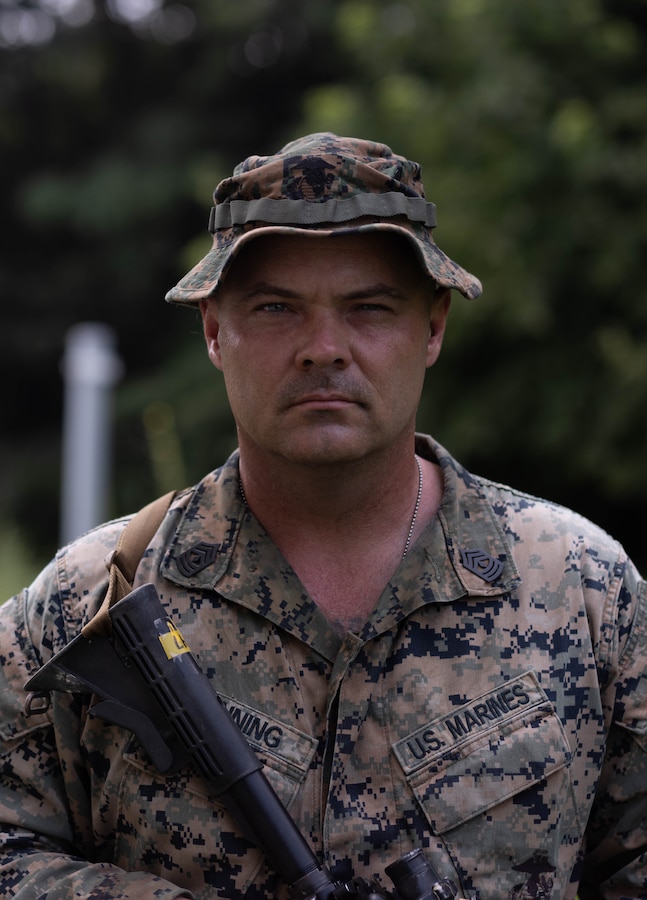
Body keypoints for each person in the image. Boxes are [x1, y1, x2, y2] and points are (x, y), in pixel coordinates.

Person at [0, 133, 645, 900]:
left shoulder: (584, 590)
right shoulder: (90, 601)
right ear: (213, 331)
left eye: (369, 309)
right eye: (276, 309)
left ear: (432, 327)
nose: (323, 349)